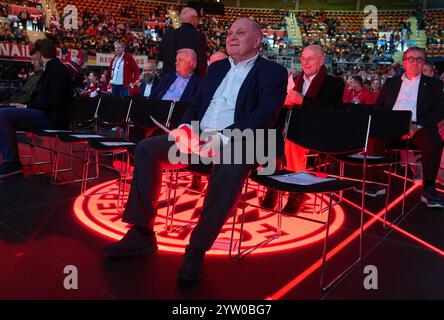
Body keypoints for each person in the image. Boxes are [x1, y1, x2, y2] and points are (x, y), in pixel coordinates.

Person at [104, 17, 288, 282]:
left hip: (239, 141)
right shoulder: (215, 69)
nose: (231, 37)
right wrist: (184, 129)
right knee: (147, 149)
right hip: (198, 140)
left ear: (258, 40)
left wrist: (222, 138)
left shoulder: (273, 72)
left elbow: (264, 116)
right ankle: (142, 234)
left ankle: (196, 248)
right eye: (229, 32)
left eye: (240, 32)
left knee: (232, 165)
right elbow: (195, 106)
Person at [261, 44, 344, 214]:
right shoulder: (295, 79)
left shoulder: (334, 83)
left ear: (321, 60)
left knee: (292, 141)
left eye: (310, 59)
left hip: (318, 129)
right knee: (269, 136)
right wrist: (285, 102)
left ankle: (296, 191)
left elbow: (332, 111)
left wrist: (303, 101)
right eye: (303, 58)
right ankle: (274, 184)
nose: (305, 62)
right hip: (292, 126)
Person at [373, 47, 444, 207]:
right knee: (373, 135)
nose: (415, 62)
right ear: (404, 63)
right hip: (392, 123)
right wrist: (386, 122)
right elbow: (379, 107)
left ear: (423, 63)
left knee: (433, 139)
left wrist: (416, 126)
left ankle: (429, 188)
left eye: (419, 59)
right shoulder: (391, 83)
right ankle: (376, 183)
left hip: (418, 126)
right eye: (411, 58)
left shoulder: (434, 85)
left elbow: (438, 111)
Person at [0, 39, 73, 178]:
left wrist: (27, 106)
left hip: (53, 118)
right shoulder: (53, 68)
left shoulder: (57, 70)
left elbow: (53, 101)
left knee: (2, 115)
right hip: (47, 114)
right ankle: (9, 160)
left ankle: (12, 163)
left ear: (39, 54)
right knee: (4, 114)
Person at [130, 49, 202, 143]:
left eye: (180, 60)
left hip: (176, 117)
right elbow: (154, 95)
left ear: (190, 63)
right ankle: (135, 152)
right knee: (137, 119)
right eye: (176, 60)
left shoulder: (198, 83)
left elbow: (194, 108)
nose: (176, 63)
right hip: (157, 112)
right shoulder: (168, 77)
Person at [158, 7, 208, 78]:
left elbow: (160, 56)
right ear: (192, 19)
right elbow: (201, 64)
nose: (198, 22)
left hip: (167, 81)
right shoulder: (199, 36)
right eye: (197, 19)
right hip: (187, 82)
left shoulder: (168, 34)